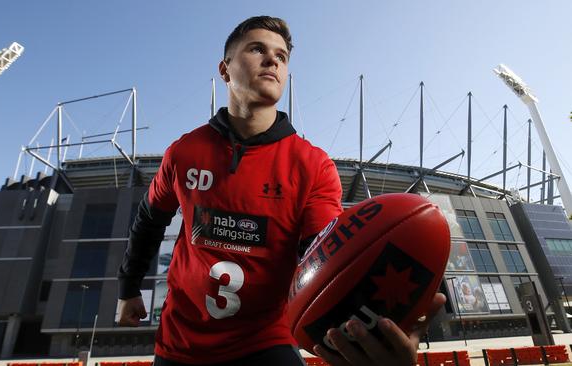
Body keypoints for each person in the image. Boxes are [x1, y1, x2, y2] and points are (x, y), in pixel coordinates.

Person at [117, 15, 445, 366]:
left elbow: (325, 256)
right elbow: (149, 220)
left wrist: (371, 327)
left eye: (282, 56)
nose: (273, 59)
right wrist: (128, 288)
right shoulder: (184, 152)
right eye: (257, 49)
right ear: (225, 69)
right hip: (180, 342)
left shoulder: (312, 164)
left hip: (266, 341)